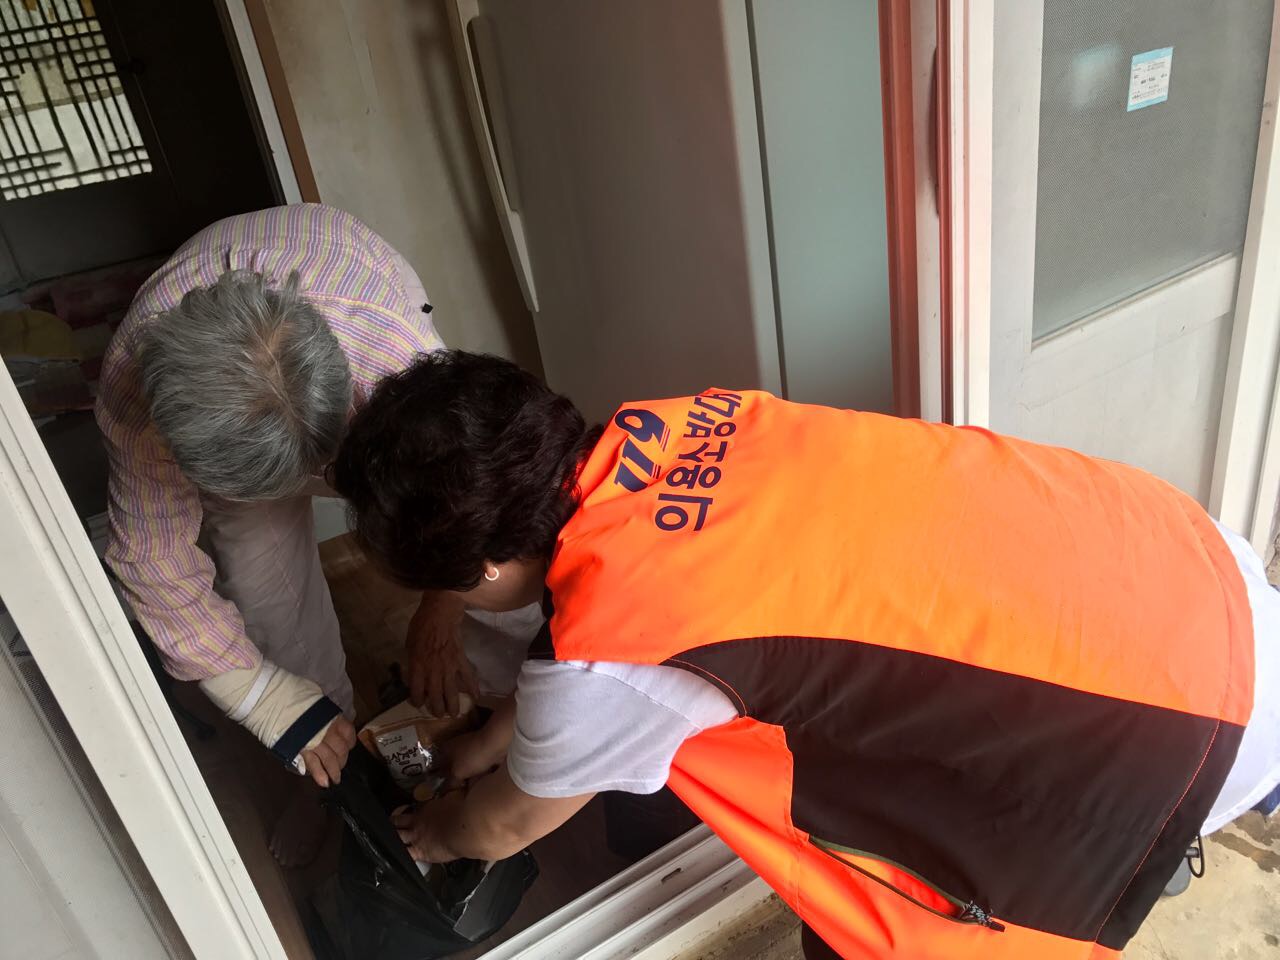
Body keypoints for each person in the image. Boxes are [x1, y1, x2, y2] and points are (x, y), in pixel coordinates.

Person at [332, 351, 1280, 960]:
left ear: (485, 567)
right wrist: (481, 742)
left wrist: (435, 834)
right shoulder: (675, 427)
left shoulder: (611, 652)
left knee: (892, 913)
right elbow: (596, 669)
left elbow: (505, 824)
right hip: (1180, 564)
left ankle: (1199, 821)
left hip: (1177, 725)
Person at [95, 204, 476, 865]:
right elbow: (153, 565)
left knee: (478, 569)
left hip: (348, 286)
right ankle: (325, 775)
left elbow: (474, 495)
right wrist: (267, 701)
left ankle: (490, 724)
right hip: (218, 412)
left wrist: (441, 609)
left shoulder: (394, 357)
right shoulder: (137, 403)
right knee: (266, 601)